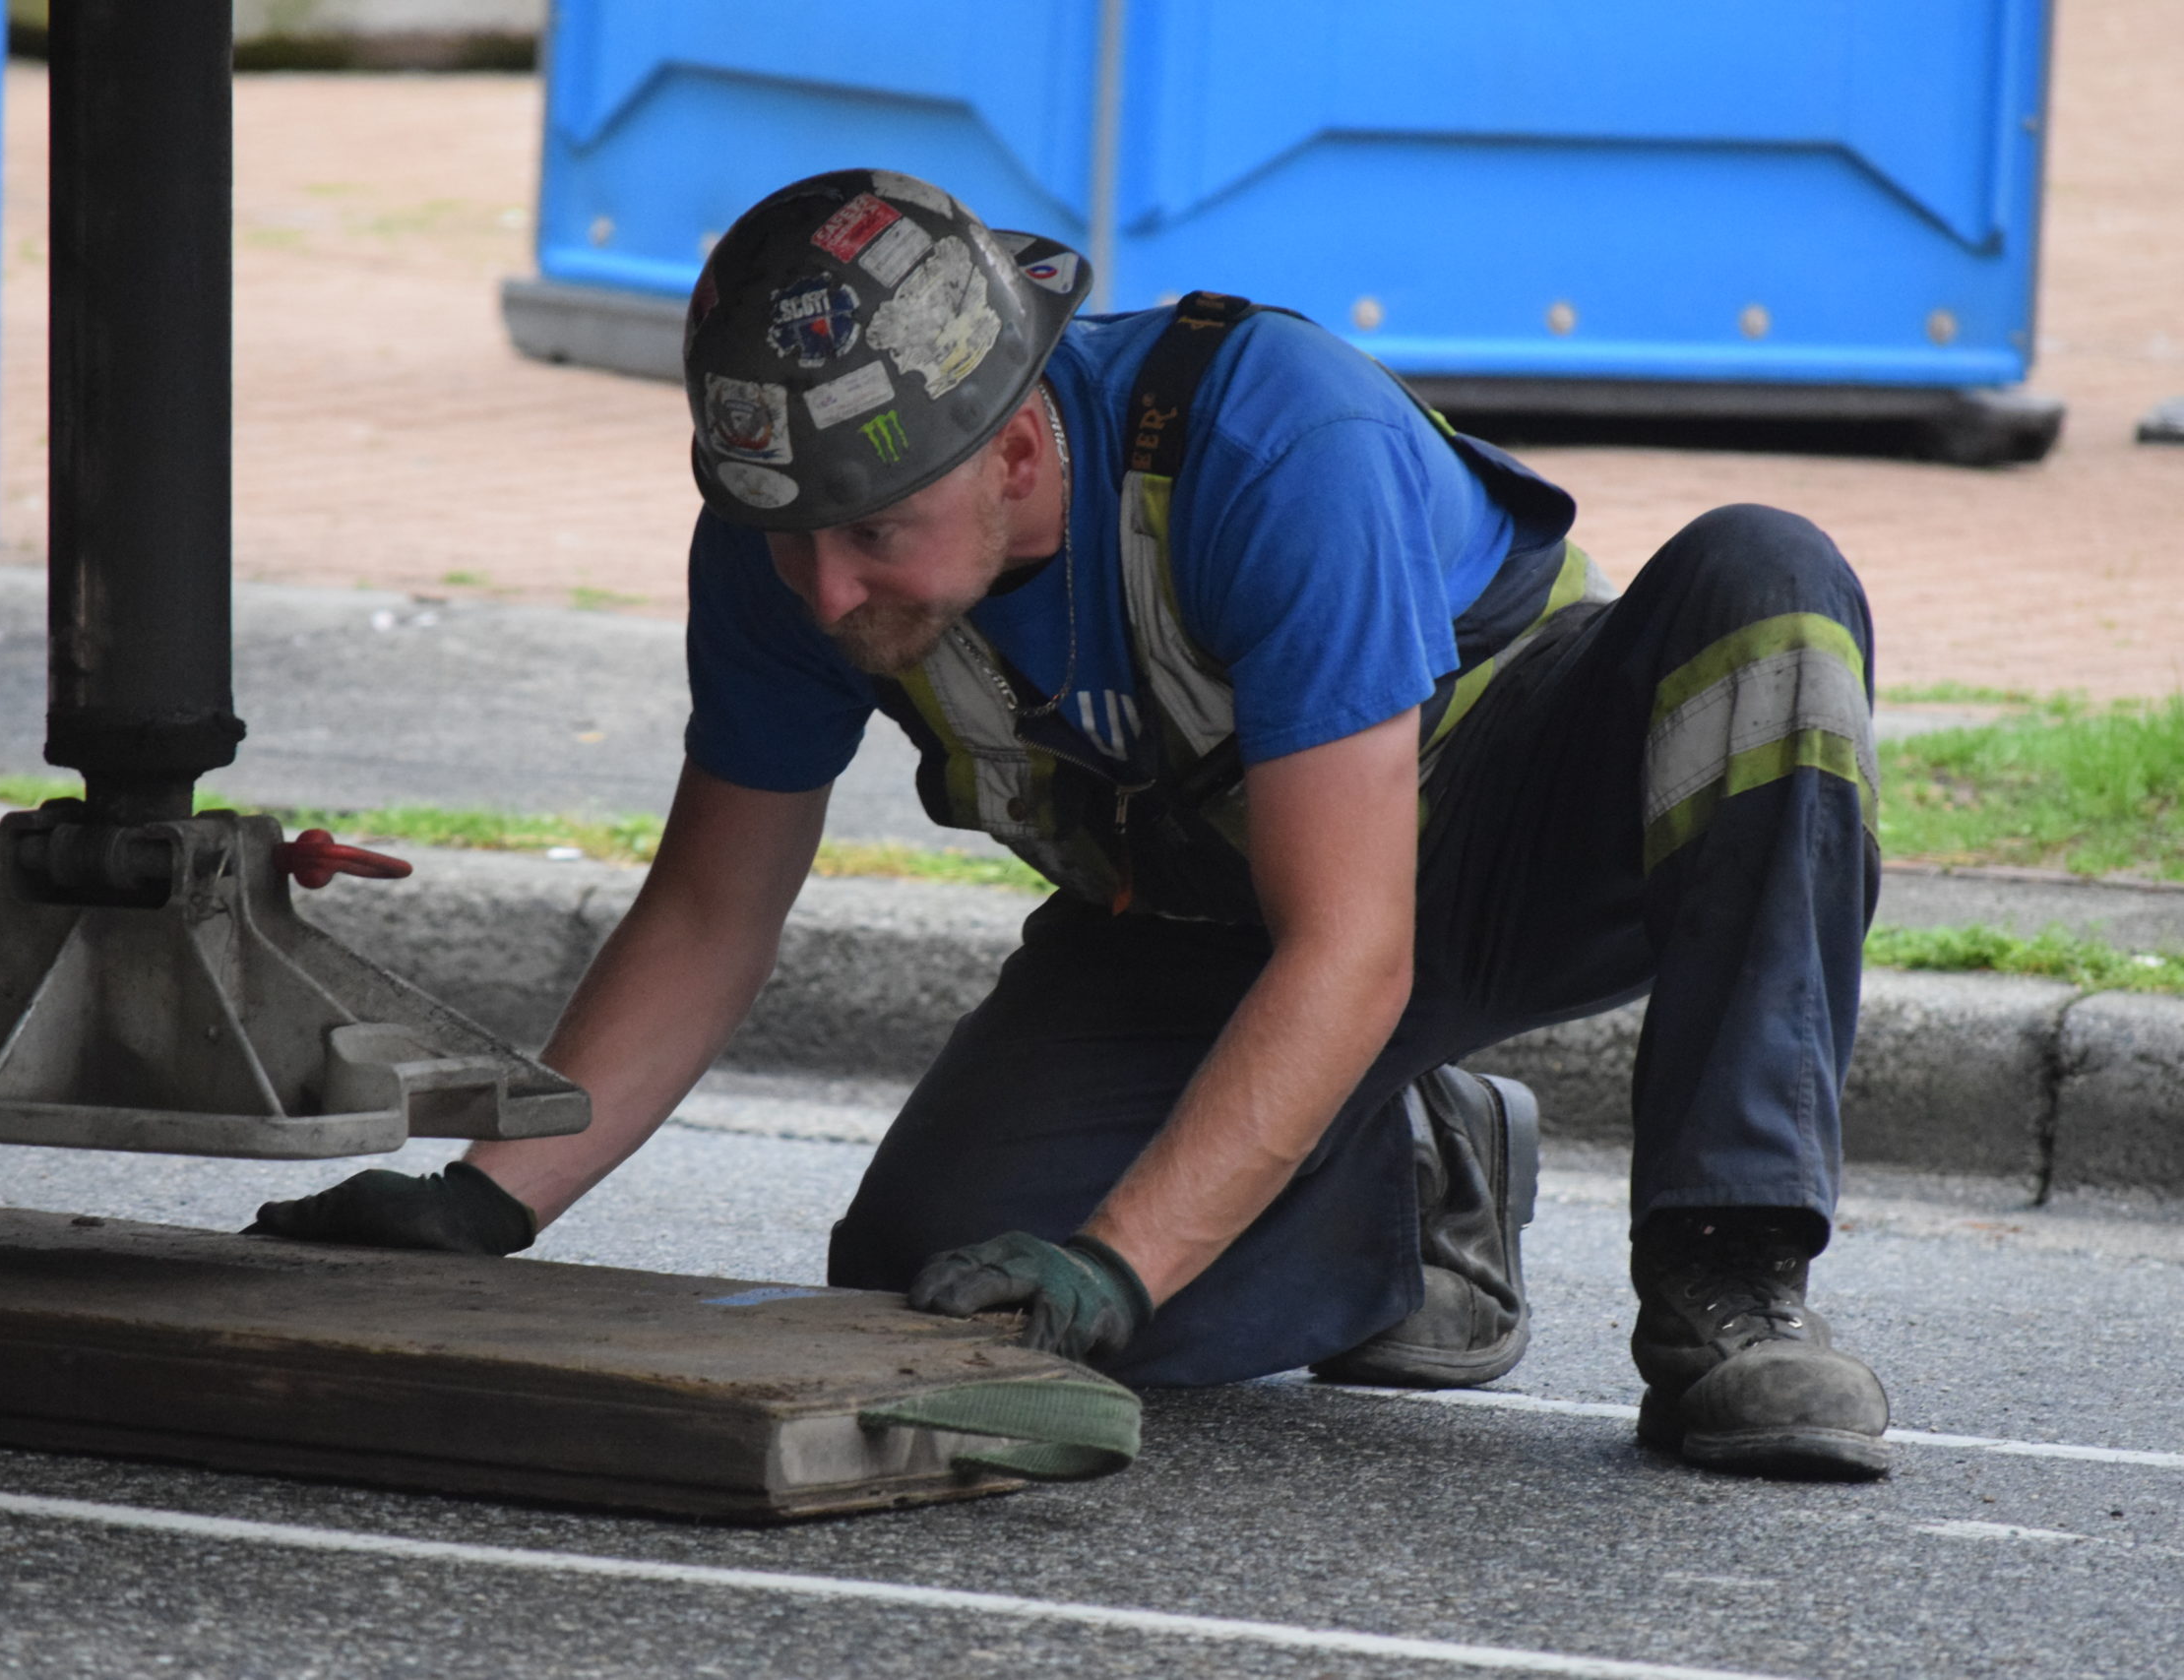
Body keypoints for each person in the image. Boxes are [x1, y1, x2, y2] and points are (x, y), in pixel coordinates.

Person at [251, 168, 1893, 1480]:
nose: (827, 590)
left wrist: (1122, 1258)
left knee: (1768, 589)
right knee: (944, 1277)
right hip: (1202, 917)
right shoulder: (790, 542)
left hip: (1503, 831)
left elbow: (1353, 941)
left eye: (875, 532)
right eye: (788, 536)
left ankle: (1727, 1287)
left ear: (1022, 444)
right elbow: (708, 913)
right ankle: (1414, 1177)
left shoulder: (1273, 443)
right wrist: (490, 1200)